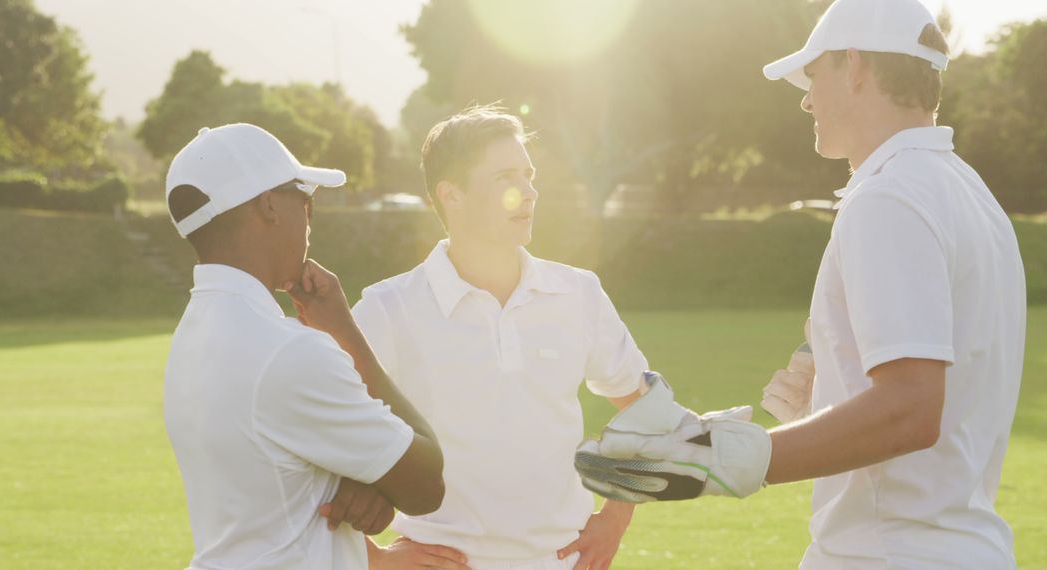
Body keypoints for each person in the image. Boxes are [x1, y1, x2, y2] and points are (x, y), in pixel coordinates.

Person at [577, 0, 1027, 568]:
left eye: (813, 76)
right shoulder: (969, 194)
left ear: (855, 66)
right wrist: (828, 404)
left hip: (887, 554)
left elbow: (911, 410)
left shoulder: (888, 198)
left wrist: (722, 457)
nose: (806, 99)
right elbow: (927, 403)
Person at [318, 104, 649, 570]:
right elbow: (309, 432)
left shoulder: (578, 293)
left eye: (529, 175)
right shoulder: (388, 308)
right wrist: (372, 557)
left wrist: (615, 520)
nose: (529, 192)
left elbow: (646, 409)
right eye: (506, 178)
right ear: (451, 195)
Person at [162, 123, 445, 570]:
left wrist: (365, 489)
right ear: (269, 205)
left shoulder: (191, 337)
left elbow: (283, 484)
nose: (310, 214)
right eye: (303, 196)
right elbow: (426, 483)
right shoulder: (289, 351)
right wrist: (346, 333)